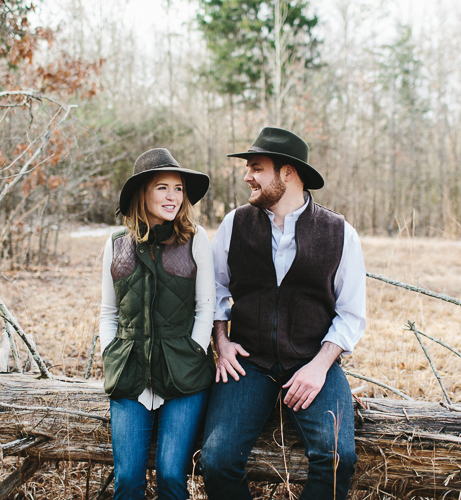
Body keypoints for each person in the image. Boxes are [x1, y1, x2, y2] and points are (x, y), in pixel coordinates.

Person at [200, 127, 367, 500]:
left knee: (338, 456)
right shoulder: (234, 225)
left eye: (257, 168)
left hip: (312, 360)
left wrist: (320, 366)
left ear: (287, 172)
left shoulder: (340, 233)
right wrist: (222, 344)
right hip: (247, 361)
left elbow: (351, 314)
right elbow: (215, 290)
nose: (247, 177)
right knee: (216, 460)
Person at [98, 148, 215, 500]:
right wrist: (110, 354)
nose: (173, 197)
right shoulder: (116, 244)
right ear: (142, 193)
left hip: (184, 375)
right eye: (162, 187)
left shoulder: (195, 239)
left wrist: (193, 351)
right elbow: (108, 312)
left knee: (170, 475)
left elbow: (206, 308)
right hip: (130, 373)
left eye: (178, 189)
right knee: (129, 479)